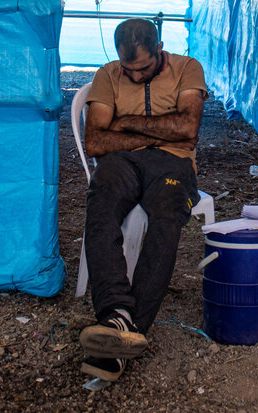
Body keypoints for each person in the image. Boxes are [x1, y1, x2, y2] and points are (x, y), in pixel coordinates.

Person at [78, 18, 208, 382]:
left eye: (144, 68)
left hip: (173, 162)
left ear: (160, 48)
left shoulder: (187, 68)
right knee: (100, 205)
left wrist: (122, 123)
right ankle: (118, 311)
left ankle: (125, 328)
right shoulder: (107, 74)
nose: (134, 76)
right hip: (120, 162)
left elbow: (188, 129)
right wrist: (154, 133)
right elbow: (96, 143)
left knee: (166, 218)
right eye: (128, 70)